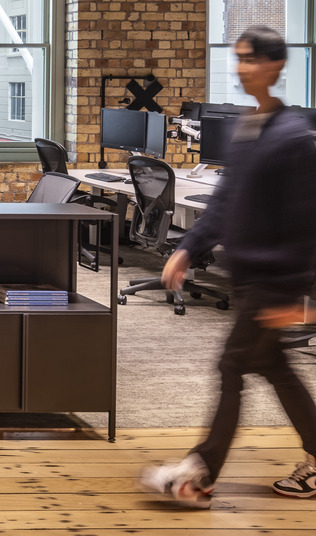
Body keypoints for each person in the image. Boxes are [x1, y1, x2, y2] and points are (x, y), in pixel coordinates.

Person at [139, 26, 316, 507]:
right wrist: (187, 248)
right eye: (238, 59)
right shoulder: (248, 128)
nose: (242, 69)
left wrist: (293, 294)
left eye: (251, 60)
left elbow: (307, 225)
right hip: (250, 279)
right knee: (275, 369)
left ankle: (200, 473)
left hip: (272, 282)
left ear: (277, 66)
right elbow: (225, 204)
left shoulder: (295, 137)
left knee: (232, 363)